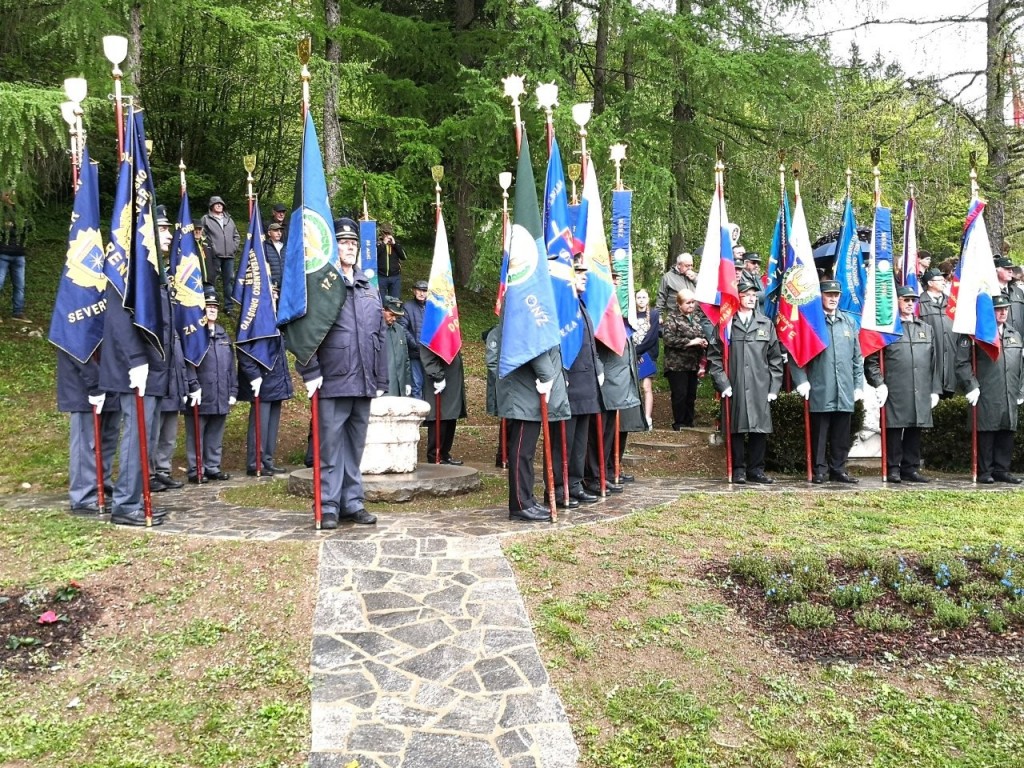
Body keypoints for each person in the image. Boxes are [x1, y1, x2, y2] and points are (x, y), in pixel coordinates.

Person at [297, 217, 386, 528]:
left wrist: (381, 378)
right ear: (332, 247)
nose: (349, 247)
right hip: (333, 379)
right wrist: (310, 369)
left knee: (355, 447)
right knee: (330, 448)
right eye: (343, 242)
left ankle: (352, 502)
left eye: (353, 243)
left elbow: (380, 334)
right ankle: (328, 504)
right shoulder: (322, 286)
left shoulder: (368, 287)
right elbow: (305, 332)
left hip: (363, 381)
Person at [708, 273, 784, 484]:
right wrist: (723, 383)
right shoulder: (726, 324)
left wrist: (774, 388)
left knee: (759, 428)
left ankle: (756, 470)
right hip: (735, 383)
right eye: (746, 294)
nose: (751, 298)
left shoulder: (765, 324)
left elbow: (775, 358)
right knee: (737, 428)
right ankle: (738, 469)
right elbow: (714, 357)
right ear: (737, 297)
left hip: (760, 385)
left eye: (753, 295)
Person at [864, 286, 942, 483]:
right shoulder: (887, 329)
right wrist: (879, 383)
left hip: (920, 387)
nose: (909, 303)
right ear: (896, 301)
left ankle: (910, 468)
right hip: (895, 387)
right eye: (905, 299)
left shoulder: (925, 328)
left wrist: (935, 389)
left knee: (915, 427)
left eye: (912, 300)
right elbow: (872, 361)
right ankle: (893, 468)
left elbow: (934, 362)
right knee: (894, 428)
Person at [790, 279, 864, 484]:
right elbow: (797, 355)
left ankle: (838, 469)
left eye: (836, 295)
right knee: (820, 433)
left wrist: (858, 385)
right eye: (829, 295)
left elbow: (857, 358)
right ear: (820, 296)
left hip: (845, 387)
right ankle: (819, 470)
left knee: (841, 433)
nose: (833, 298)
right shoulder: (811, 322)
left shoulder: (848, 322)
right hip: (821, 385)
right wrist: (801, 381)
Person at [956, 293, 1024, 484]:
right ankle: (985, 470)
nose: (1003, 313)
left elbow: (1021, 364)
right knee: (986, 430)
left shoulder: (1014, 334)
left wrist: (1021, 389)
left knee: (1006, 430)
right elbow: (962, 363)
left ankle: (1002, 469)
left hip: (1009, 390)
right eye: (998, 309)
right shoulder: (977, 334)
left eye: (1005, 309)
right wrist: (971, 386)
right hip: (985, 390)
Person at [555, 261, 604, 504]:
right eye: (578, 272)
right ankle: (558, 487)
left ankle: (574, 484)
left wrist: (599, 369)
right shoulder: (562, 307)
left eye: (585, 273)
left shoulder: (581, 305)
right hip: (569, 382)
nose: (584, 277)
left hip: (586, 382)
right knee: (563, 440)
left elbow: (590, 346)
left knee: (580, 439)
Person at [56, 350, 119, 515]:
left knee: (107, 439)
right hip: (84, 385)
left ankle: (102, 487)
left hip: (110, 381)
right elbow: (77, 348)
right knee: (85, 444)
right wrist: (95, 383)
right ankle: (83, 495)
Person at [185, 289, 236, 483]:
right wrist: (192, 385)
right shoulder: (194, 334)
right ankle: (195, 469)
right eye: (209, 306)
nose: (212, 310)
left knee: (216, 433)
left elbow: (231, 366)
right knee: (196, 435)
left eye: (215, 307)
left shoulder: (223, 335)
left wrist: (233, 390)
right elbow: (188, 363)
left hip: (221, 393)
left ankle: (213, 467)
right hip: (200, 393)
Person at [238, 328, 293, 477]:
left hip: (276, 382)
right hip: (263, 382)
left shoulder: (276, 324)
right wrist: (254, 375)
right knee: (259, 426)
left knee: (271, 427)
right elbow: (243, 350)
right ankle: (255, 463)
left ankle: (267, 460)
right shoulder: (256, 323)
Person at [661, 288, 708, 430]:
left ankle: (689, 422)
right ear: (679, 304)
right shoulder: (672, 318)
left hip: (693, 363)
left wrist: (703, 342)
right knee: (680, 394)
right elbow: (668, 339)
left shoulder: (696, 318)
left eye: (693, 302)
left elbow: (701, 334)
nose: (691, 305)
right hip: (676, 365)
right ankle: (679, 423)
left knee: (691, 394)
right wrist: (690, 342)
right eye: (688, 303)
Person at [422, 343, 467, 465]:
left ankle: (444, 453)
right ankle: (435, 455)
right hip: (440, 379)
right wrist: (437, 375)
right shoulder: (432, 333)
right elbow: (428, 356)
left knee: (451, 417)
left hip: (451, 379)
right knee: (440, 417)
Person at [917, 267, 958, 397]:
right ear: (930, 283)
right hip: (930, 356)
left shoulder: (952, 302)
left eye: (943, 279)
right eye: (939, 279)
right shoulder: (919, 303)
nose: (944, 282)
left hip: (952, 355)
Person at [200, 195, 240, 305]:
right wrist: (211, 249)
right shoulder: (205, 219)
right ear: (211, 206)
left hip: (229, 256)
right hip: (214, 256)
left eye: (221, 204)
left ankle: (229, 305)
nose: (219, 205)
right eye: (216, 204)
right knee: (211, 279)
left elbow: (236, 236)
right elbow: (202, 236)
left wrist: (233, 248)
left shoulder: (229, 220)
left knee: (229, 280)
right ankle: (211, 303)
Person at [0, 189, 30, 322]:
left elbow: (28, 228)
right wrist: (15, 227)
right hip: (3, 254)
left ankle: (18, 312)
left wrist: (16, 226)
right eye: (7, 194)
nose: (10, 197)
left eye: (12, 194)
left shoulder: (21, 211)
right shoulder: (2, 212)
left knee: (20, 285)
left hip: (19, 254)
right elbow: (5, 230)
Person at [633, 288, 660, 429]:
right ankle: (635, 418)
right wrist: (634, 354)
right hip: (633, 355)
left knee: (646, 387)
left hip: (648, 355)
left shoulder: (654, 314)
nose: (641, 300)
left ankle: (647, 418)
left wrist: (639, 352)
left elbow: (652, 337)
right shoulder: (631, 315)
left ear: (648, 299)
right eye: (639, 297)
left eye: (644, 297)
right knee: (633, 387)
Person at [401, 279, 428, 399]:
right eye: (419, 290)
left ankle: (430, 410)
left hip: (431, 353)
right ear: (414, 291)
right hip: (415, 353)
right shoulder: (407, 306)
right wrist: (415, 344)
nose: (422, 293)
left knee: (430, 385)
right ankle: (418, 410)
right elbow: (402, 328)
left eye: (424, 290)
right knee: (416, 385)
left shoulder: (432, 307)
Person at [382, 296, 412, 397]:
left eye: (396, 316)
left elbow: (406, 358)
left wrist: (407, 382)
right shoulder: (374, 330)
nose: (394, 318)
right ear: (383, 310)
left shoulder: (400, 330)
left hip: (401, 387)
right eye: (391, 315)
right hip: (384, 388)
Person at [376, 222, 407, 302]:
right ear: (381, 233)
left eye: (389, 233)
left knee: (395, 302)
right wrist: (383, 244)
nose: (387, 235)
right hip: (381, 276)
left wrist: (395, 244)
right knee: (381, 301)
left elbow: (404, 257)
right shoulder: (377, 244)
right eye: (385, 233)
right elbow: (373, 257)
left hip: (395, 277)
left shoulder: (396, 243)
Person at [994, 256, 1024, 336]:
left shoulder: (1018, 291)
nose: (1011, 271)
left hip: (1019, 339)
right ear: (997, 270)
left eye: (1011, 269)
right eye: (1007, 269)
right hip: (1000, 338)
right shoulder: (991, 292)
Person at [264, 222, 285, 292]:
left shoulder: (285, 247)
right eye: (276, 231)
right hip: (271, 287)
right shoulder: (264, 247)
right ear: (269, 233)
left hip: (285, 286)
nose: (279, 233)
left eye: (280, 231)